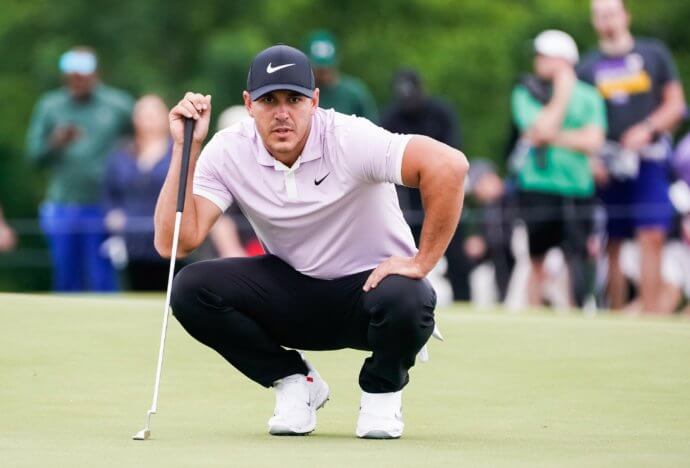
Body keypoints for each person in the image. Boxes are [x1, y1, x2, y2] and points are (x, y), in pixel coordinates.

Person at [156, 45, 468, 439]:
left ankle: (382, 391)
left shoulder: (349, 137)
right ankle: (293, 381)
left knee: (409, 295)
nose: (282, 112)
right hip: (293, 293)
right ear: (249, 104)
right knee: (189, 288)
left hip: (372, 295)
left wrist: (422, 263)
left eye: (294, 99)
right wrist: (186, 148)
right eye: (269, 100)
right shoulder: (228, 148)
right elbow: (175, 244)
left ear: (315, 101)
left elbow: (449, 166)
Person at [577, 0, 687, 312]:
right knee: (611, 240)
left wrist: (647, 128)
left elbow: (675, 104)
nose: (607, 20)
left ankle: (650, 313)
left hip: (648, 159)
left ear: (625, 15)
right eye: (600, 16)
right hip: (607, 164)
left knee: (651, 233)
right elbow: (580, 117)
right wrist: (592, 158)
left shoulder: (654, 54)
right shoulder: (587, 67)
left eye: (611, 13)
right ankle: (615, 313)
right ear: (594, 22)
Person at [511, 30, 607, 308]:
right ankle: (534, 316)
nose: (537, 60)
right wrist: (562, 95)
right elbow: (538, 131)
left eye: (544, 55)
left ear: (563, 59)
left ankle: (576, 313)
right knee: (536, 258)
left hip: (578, 188)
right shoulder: (526, 90)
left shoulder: (589, 96)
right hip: (538, 188)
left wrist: (551, 135)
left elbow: (594, 141)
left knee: (576, 258)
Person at [26, 47, 134, 291]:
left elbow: (140, 140)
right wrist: (56, 142)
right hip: (63, 204)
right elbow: (34, 156)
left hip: (106, 206)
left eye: (83, 75)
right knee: (66, 277)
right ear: (65, 76)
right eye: (73, 75)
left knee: (102, 278)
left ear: (95, 73)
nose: (78, 80)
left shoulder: (118, 104)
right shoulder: (50, 106)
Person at [381, 69, 465, 298]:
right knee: (403, 250)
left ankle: (464, 297)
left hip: (441, 193)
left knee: (455, 252)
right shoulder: (390, 117)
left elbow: (453, 154)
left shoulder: (441, 113)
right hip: (405, 200)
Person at [103, 95, 172, 290]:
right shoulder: (121, 155)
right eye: (143, 115)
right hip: (131, 244)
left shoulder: (179, 154)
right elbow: (109, 194)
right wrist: (113, 215)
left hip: (170, 241)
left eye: (153, 114)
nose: (148, 120)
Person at [304, 30, 379, 122]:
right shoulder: (302, 92)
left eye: (327, 68)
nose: (323, 74)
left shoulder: (354, 94)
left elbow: (372, 128)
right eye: (319, 69)